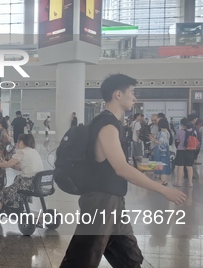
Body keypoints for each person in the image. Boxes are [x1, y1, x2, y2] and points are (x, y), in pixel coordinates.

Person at [60, 74, 186, 267]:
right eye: (132, 93)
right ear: (118, 94)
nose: (134, 98)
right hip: (101, 203)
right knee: (81, 260)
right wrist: (163, 189)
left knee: (130, 259)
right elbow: (121, 168)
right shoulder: (107, 125)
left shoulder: (112, 123)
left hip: (113, 202)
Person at [0, 134, 43, 222]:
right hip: (36, 184)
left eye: (18, 142)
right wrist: (8, 164)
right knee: (11, 189)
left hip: (25, 184)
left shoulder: (21, 152)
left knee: (1, 195)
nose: (17, 144)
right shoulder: (33, 151)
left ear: (22, 142)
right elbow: (19, 167)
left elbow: (7, 165)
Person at [150, 118, 172, 185]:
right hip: (165, 151)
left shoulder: (162, 133)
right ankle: (164, 180)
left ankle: (163, 180)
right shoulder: (167, 132)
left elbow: (161, 143)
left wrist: (153, 140)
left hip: (161, 151)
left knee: (162, 165)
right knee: (164, 164)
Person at [175, 118, 195, 187]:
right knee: (189, 166)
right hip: (190, 150)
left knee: (180, 166)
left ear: (182, 124)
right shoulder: (193, 131)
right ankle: (190, 182)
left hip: (181, 150)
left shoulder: (180, 131)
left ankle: (179, 182)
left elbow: (177, 140)